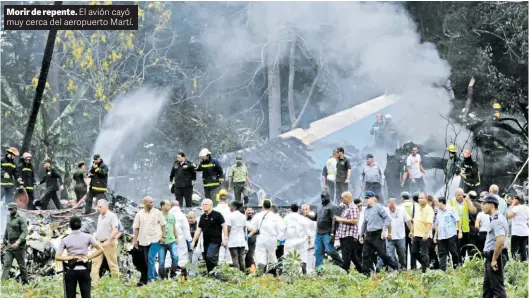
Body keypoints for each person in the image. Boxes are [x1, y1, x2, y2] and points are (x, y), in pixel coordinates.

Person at [55, 216, 104, 298]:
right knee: (86, 295)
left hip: (71, 271)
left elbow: (57, 257)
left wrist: (71, 257)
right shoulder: (88, 237)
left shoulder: (65, 239)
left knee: (70, 295)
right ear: (80, 225)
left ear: (70, 227)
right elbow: (101, 249)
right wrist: (88, 257)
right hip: (84, 270)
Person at [360, 191, 399, 275]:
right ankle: (367, 273)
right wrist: (361, 235)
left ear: (373, 198)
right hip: (369, 234)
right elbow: (364, 222)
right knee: (365, 254)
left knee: (382, 254)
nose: (366, 200)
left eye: (368, 198)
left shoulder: (379, 207)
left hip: (378, 234)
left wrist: (384, 231)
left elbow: (387, 219)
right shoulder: (366, 210)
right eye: (365, 198)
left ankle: (395, 266)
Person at [132, 196, 167, 285]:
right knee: (145, 260)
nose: (152, 204)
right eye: (150, 202)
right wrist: (135, 240)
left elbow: (163, 225)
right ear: (145, 203)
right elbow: (136, 228)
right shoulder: (139, 214)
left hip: (155, 239)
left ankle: (151, 279)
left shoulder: (157, 212)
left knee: (150, 258)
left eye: (153, 202)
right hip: (143, 240)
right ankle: (152, 276)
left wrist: (163, 236)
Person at [306, 191, 343, 269]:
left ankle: (342, 265)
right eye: (322, 197)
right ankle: (320, 270)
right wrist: (307, 215)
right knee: (318, 252)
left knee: (330, 250)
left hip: (327, 232)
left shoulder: (333, 206)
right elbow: (315, 218)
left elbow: (335, 221)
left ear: (328, 197)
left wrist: (332, 234)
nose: (323, 199)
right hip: (319, 233)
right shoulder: (319, 206)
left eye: (324, 197)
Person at [482, 195, 508, 298]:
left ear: (492, 205)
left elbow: (500, 240)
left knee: (498, 290)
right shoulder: (494, 218)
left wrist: (494, 260)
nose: (482, 206)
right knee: (487, 290)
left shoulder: (497, 219)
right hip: (491, 257)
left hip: (495, 256)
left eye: (484, 204)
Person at [192, 199, 228, 273]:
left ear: (211, 205)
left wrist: (225, 238)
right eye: (202, 205)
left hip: (215, 240)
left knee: (210, 256)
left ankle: (215, 273)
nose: (203, 206)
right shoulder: (202, 217)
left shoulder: (217, 215)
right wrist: (193, 241)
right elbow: (198, 230)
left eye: (205, 204)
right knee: (206, 258)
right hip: (206, 241)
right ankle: (211, 274)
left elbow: (224, 226)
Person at [248, 199, 283, 274]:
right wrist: (278, 239)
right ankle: (273, 274)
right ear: (270, 206)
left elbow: (251, 227)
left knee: (260, 256)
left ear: (262, 206)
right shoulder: (275, 217)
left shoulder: (257, 216)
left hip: (261, 238)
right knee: (272, 256)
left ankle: (260, 273)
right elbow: (280, 229)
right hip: (272, 239)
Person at [91, 199, 120, 283]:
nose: (98, 208)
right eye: (98, 207)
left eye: (100, 207)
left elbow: (115, 229)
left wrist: (108, 241)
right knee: (95, 262)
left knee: (112, 263)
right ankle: (95, 283)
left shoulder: (112, 216)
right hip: (99, 243)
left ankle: (116, 283)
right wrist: (94, 241)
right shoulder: (100, 216)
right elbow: (99, 230)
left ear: (106, 207)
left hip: (109, 243)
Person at [334, 191, 361, 273]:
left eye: (342, 198)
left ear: (347, 197)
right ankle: (363, 271)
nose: (341, 200)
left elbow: (355, 221)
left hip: (349, 235)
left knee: (346, 257)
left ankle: (345, 273)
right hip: (343, 235)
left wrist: (340, 219)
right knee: (353, 256)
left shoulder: (353, 207)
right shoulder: (345, 207)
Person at [1, 202, 28, 283]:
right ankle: (3, 282)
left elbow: (25, 232)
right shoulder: (8, 217)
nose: (9, 211)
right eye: (8, 209)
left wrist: (18, 242)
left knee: (22, 266)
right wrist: (4, 241)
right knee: (7, 264)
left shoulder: (21, 218)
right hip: (10, 245)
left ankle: (25, 282)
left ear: (16, 209)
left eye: (11, 209)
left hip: (19, 246)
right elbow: (7, 229)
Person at [448, 188, 477, 263]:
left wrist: (468, 200)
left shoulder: (466, 201)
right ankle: (457, 264)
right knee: (457, 249)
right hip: (455, 229)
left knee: (464, 248)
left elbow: (473, 211)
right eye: (459, 195)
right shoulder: (451, 202)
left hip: (465, 229)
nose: (461, 196)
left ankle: (462, 263)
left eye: (462, 194)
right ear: (455, 195)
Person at [282, 203, 312, 274]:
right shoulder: (302, 218)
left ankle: (288, 273)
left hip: (290, 241)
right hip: (301, 241)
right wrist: (309, 239)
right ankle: (304, 272)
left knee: (288, 257)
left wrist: (281, 238)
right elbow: (308, 231)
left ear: (291, 209)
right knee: (303, 257)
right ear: (298, 209)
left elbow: (282, 229)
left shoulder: (286, 218)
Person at [434, 198, 462, 271]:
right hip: (441, 236)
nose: (436, 204)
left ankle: (456, 267)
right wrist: (435, 236)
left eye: (437, 202)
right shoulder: (438, 212)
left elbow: (458, 220)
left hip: (451, 234)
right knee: (442, 253)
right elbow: (437, 224)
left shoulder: (451, 209)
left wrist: (460, 231)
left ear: (441, 202)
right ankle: (442, 270)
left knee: (453, 252)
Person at [385, 198, 412, 270]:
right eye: (390, 208)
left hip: (400, 236)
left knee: (402, 254)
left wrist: (412, 231)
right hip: (389, 237)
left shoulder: (402, 210)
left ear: (395, 204)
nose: (392, 209)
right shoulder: (385, 211)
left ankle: (403, 269)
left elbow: (408, 221)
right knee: (389, 254)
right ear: (388, 206)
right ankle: (393, 269)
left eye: (393, 207)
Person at [411, 192, 434, 273]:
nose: (419, 200)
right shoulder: (417, 208)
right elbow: (415, 221)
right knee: (414, 252)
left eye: (422, 198)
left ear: (426, 199)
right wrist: (411, 231)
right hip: (416, 234)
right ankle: (426, 266)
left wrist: (425, 233)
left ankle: (426, 271)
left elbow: (429, 223)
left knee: (424, 254)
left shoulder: (429, 209)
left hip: (424, 235)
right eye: (419, 198)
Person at [169, 200, 192, 271]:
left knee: (170, 257)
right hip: (180, 239)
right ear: (178, 206)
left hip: (169, 239)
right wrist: (189, 240)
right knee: (182, 257)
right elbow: (186, 229)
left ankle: (170, 273)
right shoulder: (182, 215)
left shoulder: (167, 214)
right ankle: (182, 274)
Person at [159, 200, 179, 279]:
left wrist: (176, 237)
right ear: (162, 206)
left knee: (175, 257)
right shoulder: (158, 216)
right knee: (161, 262)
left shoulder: (172, 216)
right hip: (161, 243)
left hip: (172, 241)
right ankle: (162, 277)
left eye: (169, 205)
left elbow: (174, 227)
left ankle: (173, 274)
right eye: (167, 205)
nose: (169, 207)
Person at [227, 201, 247, 272]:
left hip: (233, 240)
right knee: (241, 259)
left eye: (230, 206)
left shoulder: (230, 216)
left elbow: (228, 229)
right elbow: (244, 228)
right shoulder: (243, 216)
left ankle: (237, 275)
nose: (229, 207)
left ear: (234, 207)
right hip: (241, 240)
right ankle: (244, 275)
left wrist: (226, 238)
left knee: (235, 258)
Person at [508, 195, 529, 261]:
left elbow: (509, 216)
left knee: (514, 251)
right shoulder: (527, 208)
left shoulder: (516, 208)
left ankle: (515, 265)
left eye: (514, 199)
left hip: (517, 232)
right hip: (525, 232)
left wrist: (512, 205)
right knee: (523, 250)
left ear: (517, 200)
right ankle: (524, 264)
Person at [400, 192, 418, 269]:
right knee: (412, 248)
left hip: (403, 228)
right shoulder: (415, 205)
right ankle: (413, 267)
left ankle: (404, 266)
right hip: (413, 227)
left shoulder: (400, 206)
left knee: (404, 248)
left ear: (402, 198)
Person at [214, 193, 232, 265]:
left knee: (219, 254)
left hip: (217, 233)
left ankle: (219, 270)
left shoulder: (214, 210)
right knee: (229, 255)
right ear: (226, 200)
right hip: (230, 232)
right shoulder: (231, 210)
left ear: (218, 199)